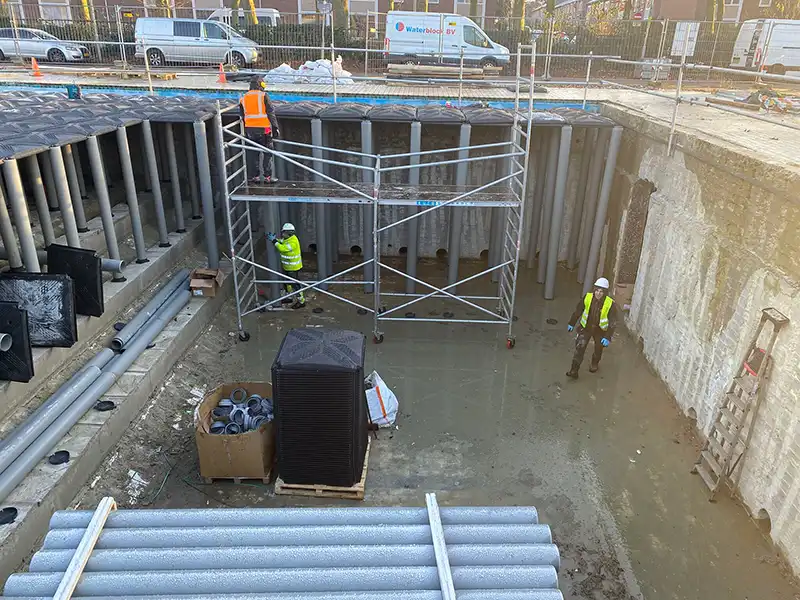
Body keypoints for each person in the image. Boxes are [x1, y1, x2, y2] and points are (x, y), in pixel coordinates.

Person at [566, 277, 618, 378]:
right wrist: (571, 323)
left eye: (601, 291)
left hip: (600, 330)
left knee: (598, 348)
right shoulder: (587, 297)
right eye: (597, 290)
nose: (598, 293)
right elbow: (578, 311)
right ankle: (574, 370)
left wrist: (607, 337)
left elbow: (612, 322)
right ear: (594, 290)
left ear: (605, 293)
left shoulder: (610, 303)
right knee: (580, 348)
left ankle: (595, 363)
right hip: (586, 327)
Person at [239, 75, 280, 184]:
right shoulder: (263, 95)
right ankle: (268, 177)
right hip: (264, 129)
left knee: (253, 153)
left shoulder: (244, 98)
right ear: (261, 84)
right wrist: (275, 128)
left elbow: (242, 116)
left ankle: (254, 176)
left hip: (250, 131)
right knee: (268, 152)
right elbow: (271, 113)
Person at [267, 223, 305, 309]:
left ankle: (301, 301)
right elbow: (282, 242)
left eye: (283, 232)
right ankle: (290, 297)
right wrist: (276, 239)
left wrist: (274, 241)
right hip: (287, 267)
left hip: (293, 268)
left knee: (295, 285)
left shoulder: (293, 242)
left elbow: (282, 248)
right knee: (287, 283)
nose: (282, 234)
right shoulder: (288, 239)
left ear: (289, 233)